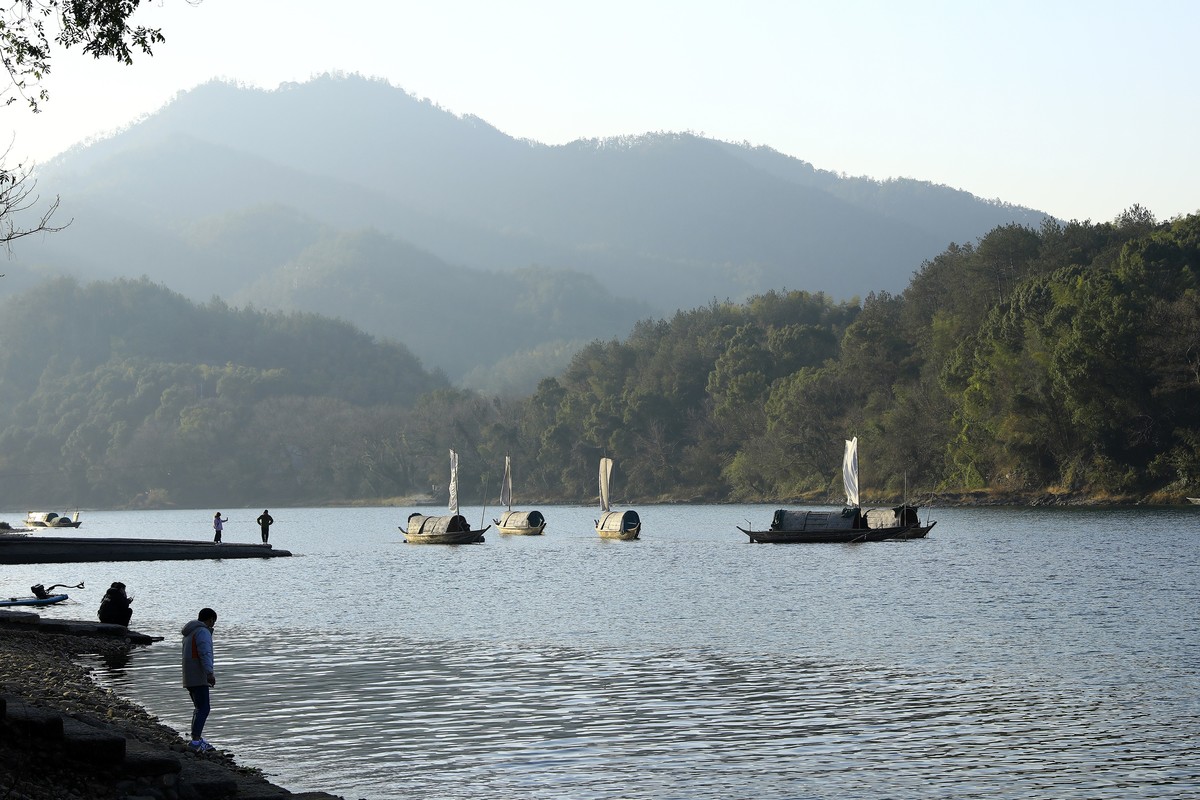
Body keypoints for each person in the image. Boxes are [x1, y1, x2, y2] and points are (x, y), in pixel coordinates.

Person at [181, 607, 218, 752]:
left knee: (198, 708)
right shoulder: (202, 632)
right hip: (198, 674)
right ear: (210, 619)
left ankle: (196, 738)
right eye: (213, 621)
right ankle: (196, 741)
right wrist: (209, 672)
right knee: (204, 708)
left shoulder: (189, 633)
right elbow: (205, 653)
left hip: (188, 675)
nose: (213, 625)